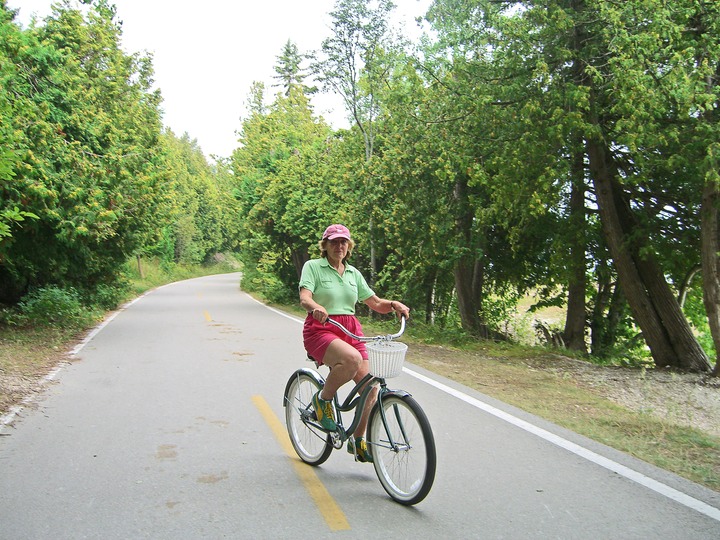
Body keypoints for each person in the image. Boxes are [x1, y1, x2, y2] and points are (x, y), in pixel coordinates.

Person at [299, 224, 410, 463]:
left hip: (350, 330)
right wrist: (316, 307)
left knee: (372, 387)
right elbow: (304, 297)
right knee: (351, 360)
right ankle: (323, 400)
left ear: (348, 247)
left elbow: (376, 303)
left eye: (343, 242)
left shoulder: (353, 274)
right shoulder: (313, 267)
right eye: (334, 242)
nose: (339, 246)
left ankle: (357, 441)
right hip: (321, 329)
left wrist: (394, 305)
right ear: (325, 245)